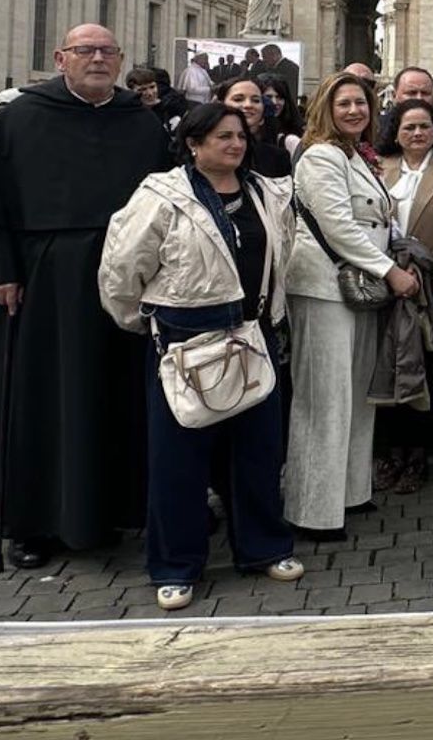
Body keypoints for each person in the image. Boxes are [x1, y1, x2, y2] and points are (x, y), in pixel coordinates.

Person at [0, 24, 171, 567]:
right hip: (41, 285)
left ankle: (110, 509)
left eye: (107, 51)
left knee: (114, 397)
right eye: (85, 50)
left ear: (120, 61)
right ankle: (32, 523)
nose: (96, 59)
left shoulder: (141, 122)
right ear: (62, 58)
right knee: (39, 400)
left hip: (121, 285)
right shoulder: (21, 117)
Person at [98, 103, 303, 609]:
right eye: (221, 137)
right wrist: (140, 320)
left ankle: (263, 546)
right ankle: (175, 564)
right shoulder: (162, 195)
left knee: (257, 454)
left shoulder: (264, 192)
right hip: (185, 337)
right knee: (178, 463)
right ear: (193, 143)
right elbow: (123, 268)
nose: (234, 145)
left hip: (252, 333)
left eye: (239, 136)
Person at [284, 73, 420, 538]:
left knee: (357, 393)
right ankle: (312, 508)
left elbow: (380, 219)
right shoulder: (320, 156)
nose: (354, 111)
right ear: (326, 107)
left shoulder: (356, 157)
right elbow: (340, 227)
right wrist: (390, 270)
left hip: (359, 287)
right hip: (324, 287)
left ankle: (350, 491)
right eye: (343, 104)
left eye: (360, 104)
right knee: (324, 398)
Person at [373, 99, 433, 495]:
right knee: (386, 364)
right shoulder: (378, 166)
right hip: (385, 281)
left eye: (424, 127)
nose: (417, 133)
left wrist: (426, 267)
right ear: (395, 131)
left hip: (432, 285)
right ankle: (388, 450)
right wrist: (389, 268)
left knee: (427, 366)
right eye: (409, 127)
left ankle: (417, 452)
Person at [213, 76, 291, 178]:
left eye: (256, 100)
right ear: (220, 104)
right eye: (238, 99)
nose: (248, 105)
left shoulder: (278, 158)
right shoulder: (203, 150)